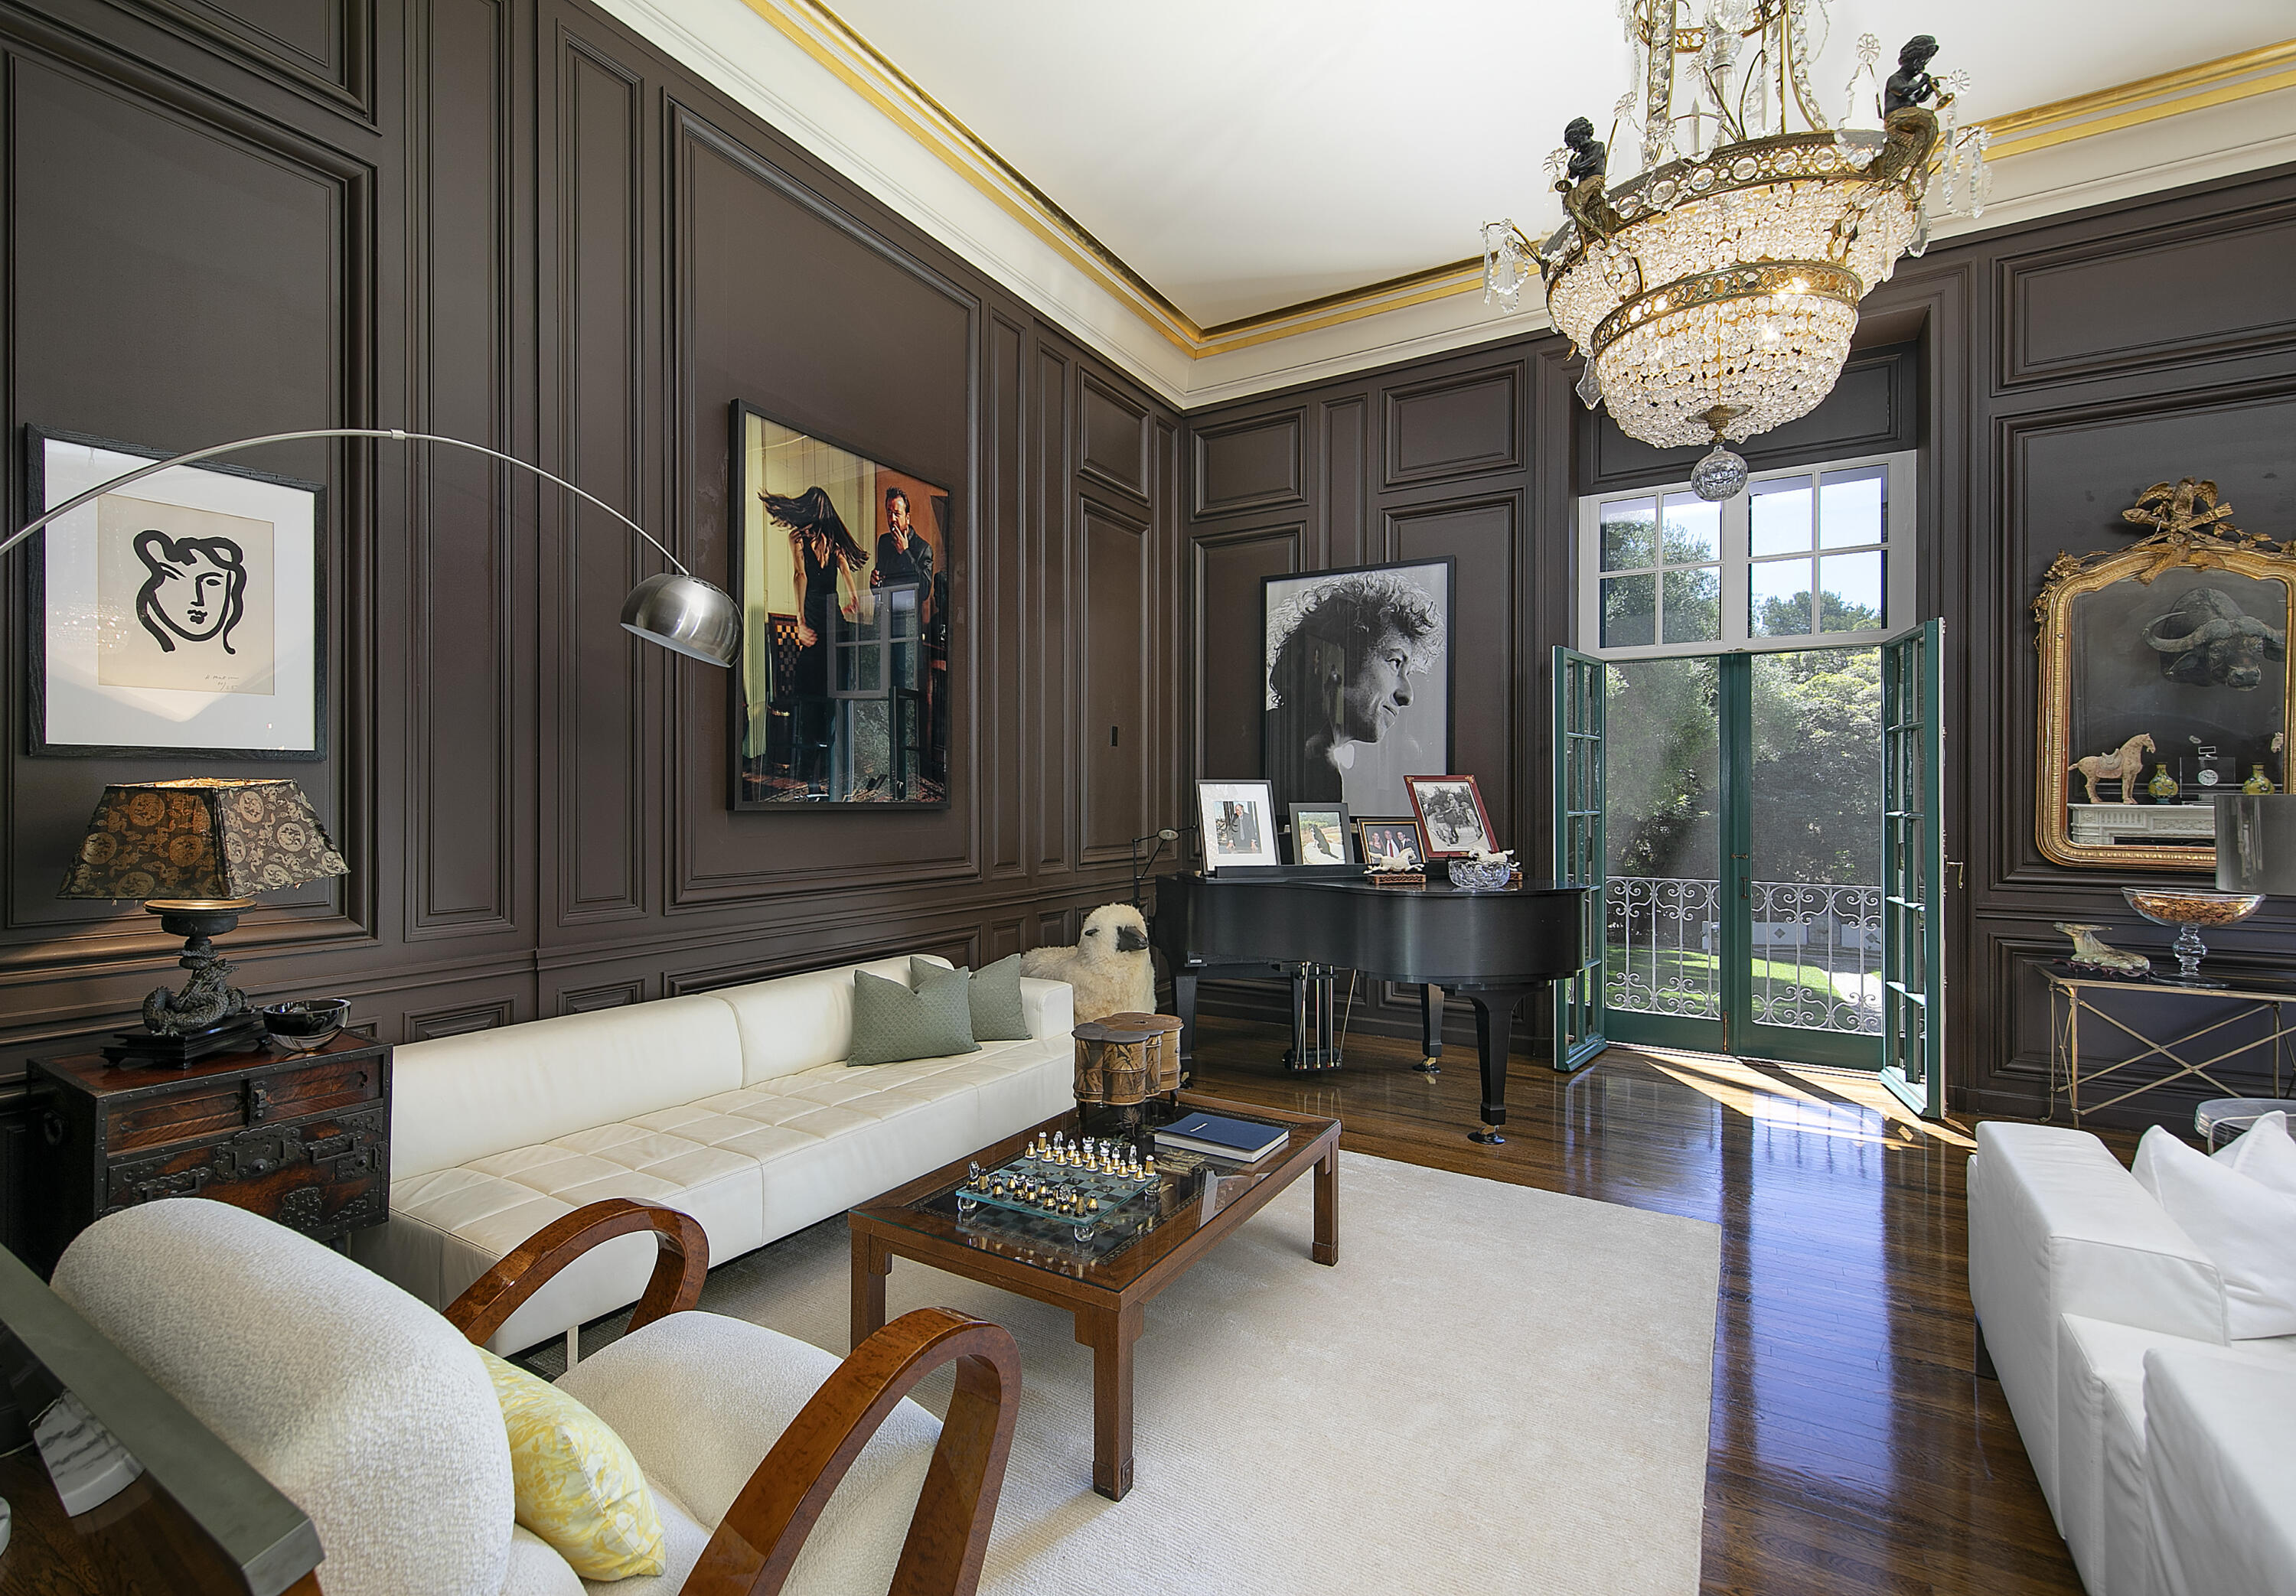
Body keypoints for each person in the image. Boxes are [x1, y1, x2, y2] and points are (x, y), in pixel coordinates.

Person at [1265, 571, 1443, 808]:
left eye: (1407, 674)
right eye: (1394, 663)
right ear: (1329, 660)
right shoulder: (1280, 751)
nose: (1407, 695)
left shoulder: (1315, 759)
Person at [762, 486, 869, 790]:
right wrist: (852, 596)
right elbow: (845, 568)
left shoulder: (798, 538)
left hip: (818, 626)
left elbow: (801, 576)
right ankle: (831, 775)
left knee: (812, 702)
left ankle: (813, 779)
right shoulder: (831, 540)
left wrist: (799, 619)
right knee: (832, 702)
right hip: (835, 624)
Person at [872, 487, 934, 591]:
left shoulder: (924, 548)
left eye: (897, 514)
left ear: (907, 518)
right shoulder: (884, 541)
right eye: (889, 512)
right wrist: (874, 582)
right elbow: (879, 589)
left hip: (907, 606)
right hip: (885, 606)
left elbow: (924, 591)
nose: (892, 519)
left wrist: (905, 552)